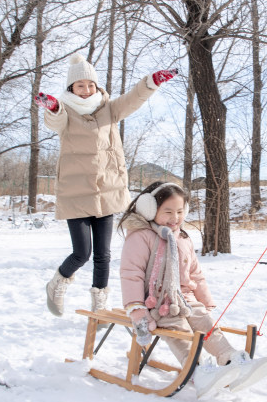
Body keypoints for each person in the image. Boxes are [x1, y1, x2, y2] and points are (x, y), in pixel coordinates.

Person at [36, 53, 177, 317]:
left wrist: (152, 82)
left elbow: (132, 100)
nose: (86, 90)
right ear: (71, 88)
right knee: (82, 253)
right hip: (76, 193)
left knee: (104, 255)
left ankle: (99, 305)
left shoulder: (108, 108)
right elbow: (55, 121)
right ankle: (57, 282)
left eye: (90, 85)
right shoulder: (65, 109)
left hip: (106, 192)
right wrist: (53, 107)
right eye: (80, 85)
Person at [118, 181, 267, 398]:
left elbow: (195, 274)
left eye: (180, 211)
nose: (175, 218)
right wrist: (137, 310)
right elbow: (131, 273)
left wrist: (205, 301)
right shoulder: (140, 236)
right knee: (179, 332)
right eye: (168, 212)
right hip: (157, 303)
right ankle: (198, 370)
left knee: (207, 325)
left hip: (187, 299)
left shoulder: (182, 238)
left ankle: (231, 360)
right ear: (150, 209)